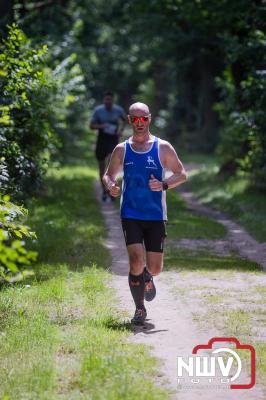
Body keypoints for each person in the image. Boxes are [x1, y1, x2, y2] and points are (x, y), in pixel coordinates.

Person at [103, 102, 187, 325]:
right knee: (135, 262)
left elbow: (181, 174)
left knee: (155, 267)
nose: (139, 123)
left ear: (150, 119)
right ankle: (139, 308)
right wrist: (110, 185)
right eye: (135, 119)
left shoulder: (163, 147)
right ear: (129, 121)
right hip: (130, 212)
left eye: (144, 119)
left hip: (156, 215)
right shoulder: (122, 149)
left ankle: (149, 277)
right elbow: (108, 175)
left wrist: (164, 184)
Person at [90, 91, 127, 201]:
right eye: (106, 99)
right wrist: (102, 126)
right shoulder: (98, 111)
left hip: (113, 139)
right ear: (103, 100)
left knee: (112, 167)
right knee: (102, 167)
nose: (107, 102)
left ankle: (112, 191)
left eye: (109, 100)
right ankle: (104, 191)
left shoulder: (118, 110)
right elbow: (91, 125)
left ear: (112, 100)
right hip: (102, 139)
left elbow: (125, 120)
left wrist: (120, 131)